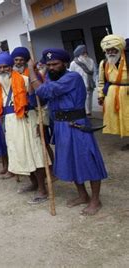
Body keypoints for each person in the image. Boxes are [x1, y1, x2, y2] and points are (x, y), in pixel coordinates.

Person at [29, 48, 107, 215]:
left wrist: (31, 73)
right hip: (60, 126)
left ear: (64, 63)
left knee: (88, 161)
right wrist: (38, 75)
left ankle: (95, 200)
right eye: (48, 64)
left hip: (76, 125)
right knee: (70, 161)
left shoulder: (73, 77)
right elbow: (42, 97)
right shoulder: (50, 77)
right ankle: (82, 195)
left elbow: (46, 91)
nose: (51, 67)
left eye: (55, 64)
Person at [0, 52, 49, 204]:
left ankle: (42, 189)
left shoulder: (25, 80)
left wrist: (41, 122)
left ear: (11, 67)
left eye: (5, 67)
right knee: (21, 154)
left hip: (28, 121)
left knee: (34, 154)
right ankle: (34, 183)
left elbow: (40, 103)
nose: (2, 70)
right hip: (10, 124)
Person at [97, 34, 129, 150]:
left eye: (113, 49)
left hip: (127, 93)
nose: (110, 52)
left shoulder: (127, 60)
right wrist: (100, 95)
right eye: (108, 50)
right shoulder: (104, 63)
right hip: (112, 94)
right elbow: (101, 81)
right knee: (121, 119)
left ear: (119, 48)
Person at [69, 45, 96, 116]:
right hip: (80, 84)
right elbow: (71, 74)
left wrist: (93, 80)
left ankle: (89, 111)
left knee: (90, 98)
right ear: (79, 54)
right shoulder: (74, 63)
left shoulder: (91, 61)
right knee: (83, 98)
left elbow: (94, 72)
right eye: (83, 53)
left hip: (90, 83)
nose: (85, 55)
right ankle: (85, 112)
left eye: (86, 53)